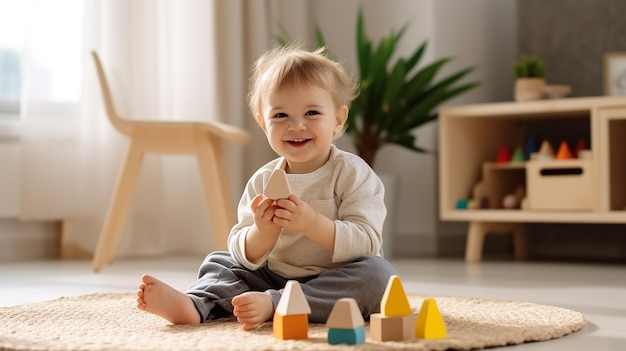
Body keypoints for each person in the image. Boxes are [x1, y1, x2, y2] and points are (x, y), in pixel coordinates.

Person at [136, 45, 396, 330]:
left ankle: (276, 304)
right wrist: (262, 232)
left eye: (311, 113)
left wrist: (312, 224)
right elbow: (240, 248)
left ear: (338, 119)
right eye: (281, 116)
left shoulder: (352, 172)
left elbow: (367, 240)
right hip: (272, 276)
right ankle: (196, 304)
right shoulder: (263, 179)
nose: (296, 125)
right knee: (220, 262)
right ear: (263, 123)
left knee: (378, 276)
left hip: (334, 279)